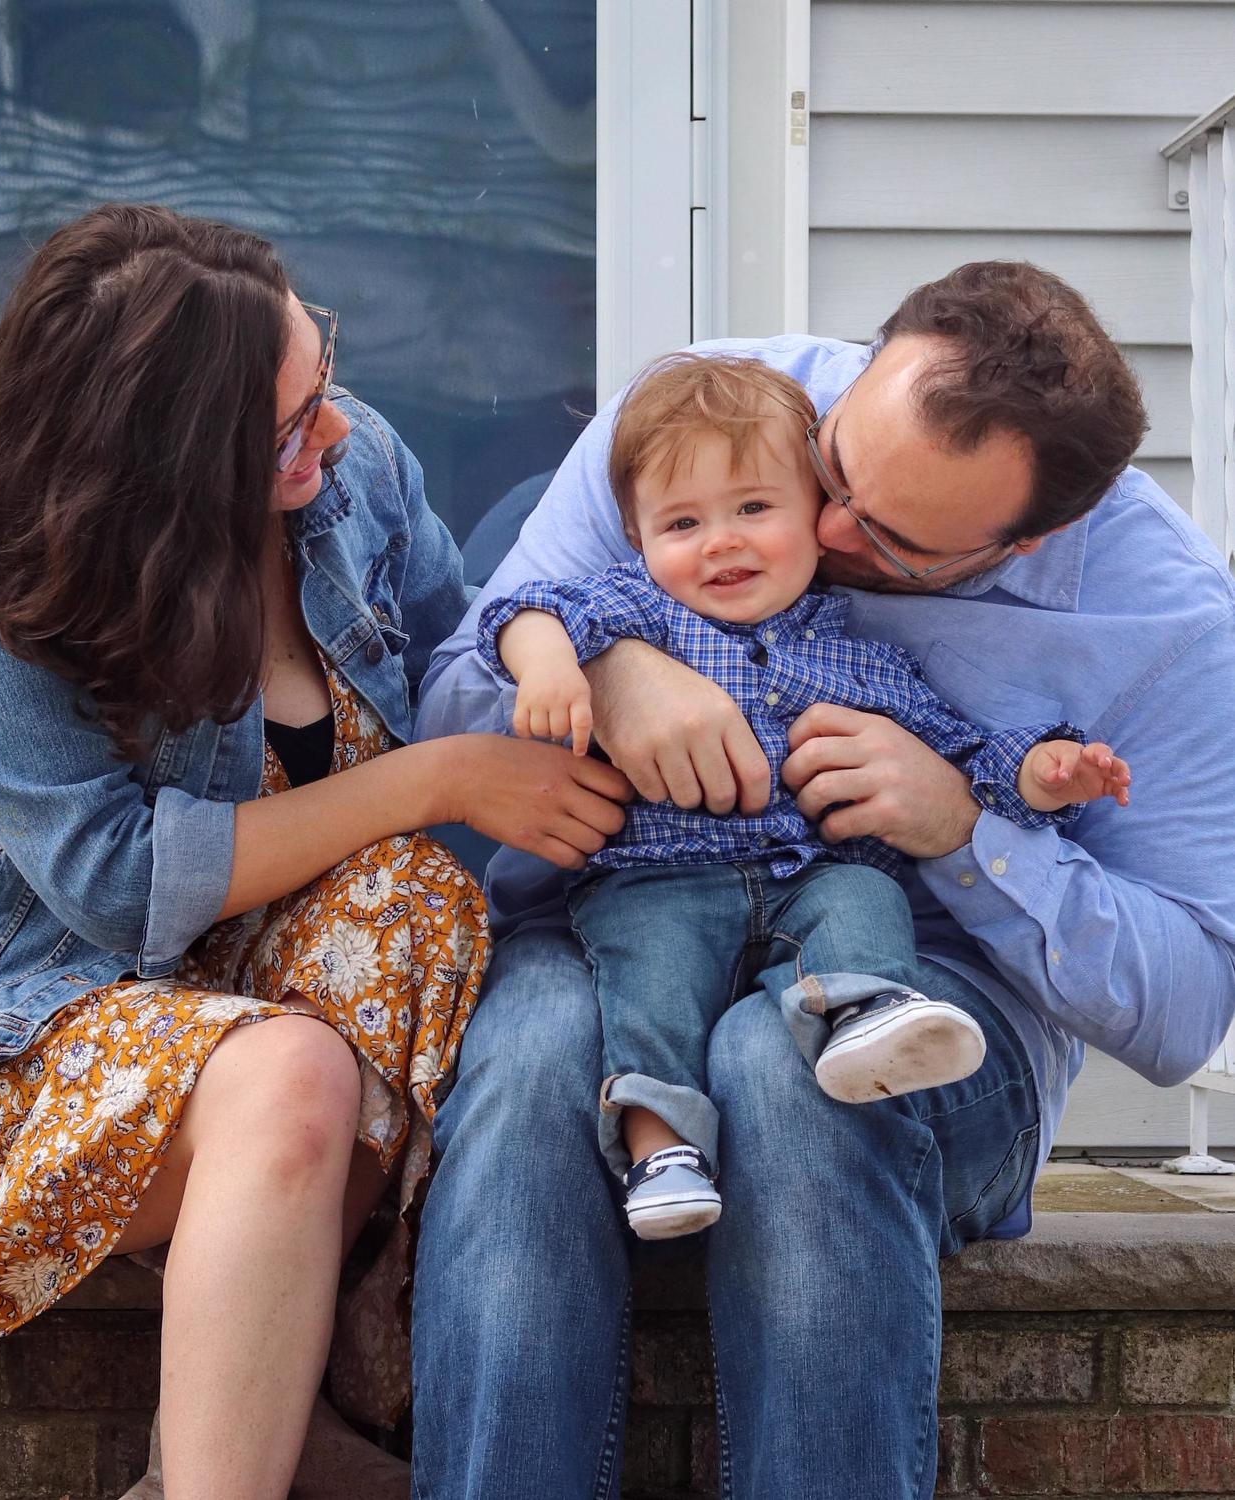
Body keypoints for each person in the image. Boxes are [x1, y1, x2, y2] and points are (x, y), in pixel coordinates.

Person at [410, 262, 1235, 1498]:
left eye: (896, 541)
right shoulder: (706, 423)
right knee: (529, 1060)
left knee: (782, 1065)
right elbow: (452, 712)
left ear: (1034, 536)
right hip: (616, 928)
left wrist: (964, 830)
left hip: (932, 1002)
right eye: (834, 467)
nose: (827, 530)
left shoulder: (1167, 625)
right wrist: (620, 663)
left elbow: (1183, 1009)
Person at [0, 202, 630, 1500]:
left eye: (319, 373)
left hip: (231, 1006)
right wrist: (434, 777)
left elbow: (462, 655)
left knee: (415, 905)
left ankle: (234, 1440)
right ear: (155, 466)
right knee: (293, 1073)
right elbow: (111, 881)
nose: (331, 431)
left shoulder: (357, 466)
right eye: (283, 427)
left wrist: (606, 665)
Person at [476, 350, 1130, 1240]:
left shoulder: (857, 656)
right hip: (659, 880)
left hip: (807, 876)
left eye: (753, 509)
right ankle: (661, 1145)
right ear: (637, 540)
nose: (722, 540)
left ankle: (864, 1011)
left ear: (815, 519)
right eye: (681, 522)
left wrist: (1041, 773)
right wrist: (555, 661)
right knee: (648, 982)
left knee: (862, 897)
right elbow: (525, 609)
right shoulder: (637, 613)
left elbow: (958, 752)